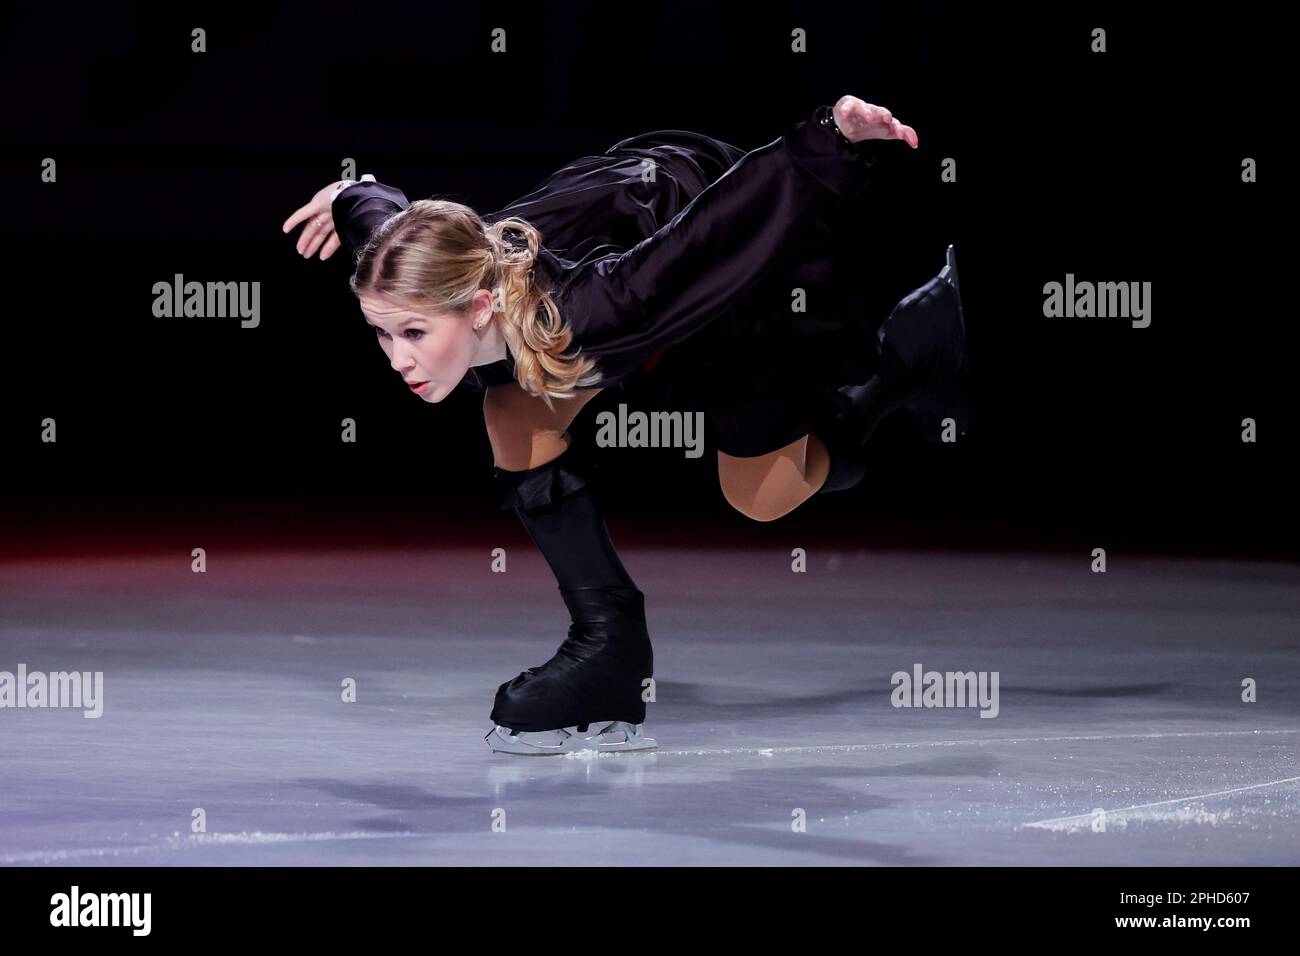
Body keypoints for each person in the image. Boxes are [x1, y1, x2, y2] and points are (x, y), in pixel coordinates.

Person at [281, 96, 970, 754]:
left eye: (413, 333)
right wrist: (351, 194)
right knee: (514, 408)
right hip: (625, 219)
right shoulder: (423, 270)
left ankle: (906, 355)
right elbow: (386, 221)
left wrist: (826, 138)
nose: (399, 359)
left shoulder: (595, 308)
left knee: (762, 494)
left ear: (481, 307)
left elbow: (711, 239)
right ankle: (607, 646)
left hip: (724, 237)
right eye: (381, 334)